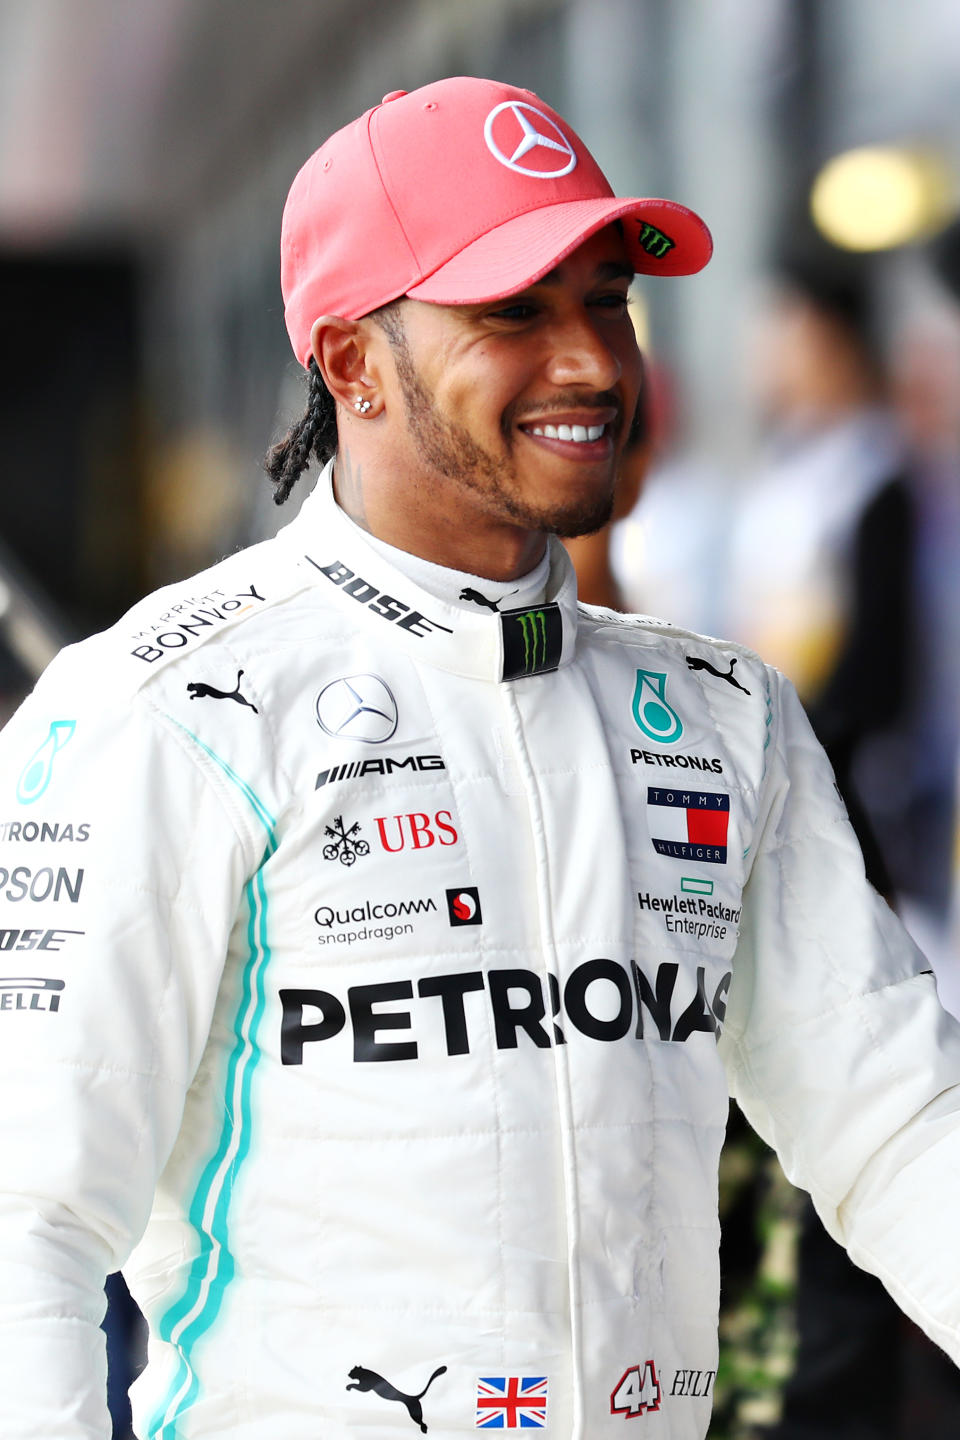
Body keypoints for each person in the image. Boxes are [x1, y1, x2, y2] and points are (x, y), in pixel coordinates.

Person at [1, 77, 960, 1440]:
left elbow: (899, 1124)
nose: (589, 360)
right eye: (513, 311)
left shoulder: (724, 715)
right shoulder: (163, 710)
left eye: (605, 301)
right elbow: (24, 1221)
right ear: (350, 364)